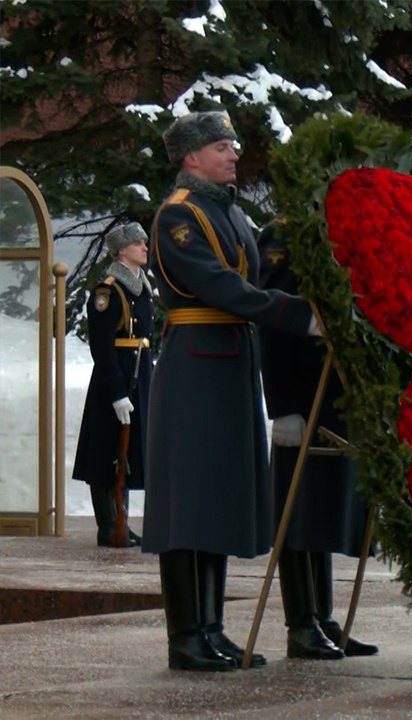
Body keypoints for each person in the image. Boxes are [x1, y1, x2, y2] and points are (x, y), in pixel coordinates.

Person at [142, 111, 320, 672]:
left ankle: (212, 628)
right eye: (222, 147)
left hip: (231, 361)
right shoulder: (179, 215)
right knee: (187, 500)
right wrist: (297, 314)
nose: (234, 154)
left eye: (232, 145)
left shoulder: (230, 212)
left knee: (215, 496)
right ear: (192, 157)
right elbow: (220, 286)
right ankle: (185, 635)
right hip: (196, 362)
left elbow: (252, 281)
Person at [256, 220, 378, 660]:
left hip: (338, 393)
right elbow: (274, 320)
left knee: (322, 509)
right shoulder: (287, 233)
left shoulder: (342, 223)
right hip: (304, 395)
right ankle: (301, 623)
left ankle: (323, 618)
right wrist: (282, 405)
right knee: (297, 511)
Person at [72, 221, 152, 548]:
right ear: (121, 251)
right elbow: (102, 347)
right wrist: (117, 392)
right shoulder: (108, 291)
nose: (145, 247)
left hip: (138, 373)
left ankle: (121, 522)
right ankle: (108, 526)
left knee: (127, 450)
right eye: (137, 243)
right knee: (108, 451)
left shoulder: (140, 286)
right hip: (115, 377)